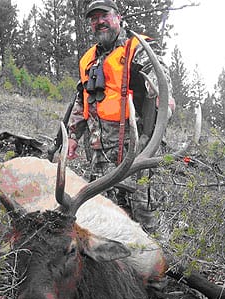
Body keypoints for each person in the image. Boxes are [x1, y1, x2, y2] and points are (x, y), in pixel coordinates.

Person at [67, 0, 175, 230]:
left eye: (104, 16)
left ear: (118, 17)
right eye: (94, 19)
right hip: (99, 155)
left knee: (145, 217)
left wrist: (161, 96)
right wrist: (73, 136)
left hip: (136, 151)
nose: (99, 22)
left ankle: (163, 262)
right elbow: (82, 97)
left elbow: (158, 74)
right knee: (107, 218)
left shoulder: (136, 48)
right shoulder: (89, 59)